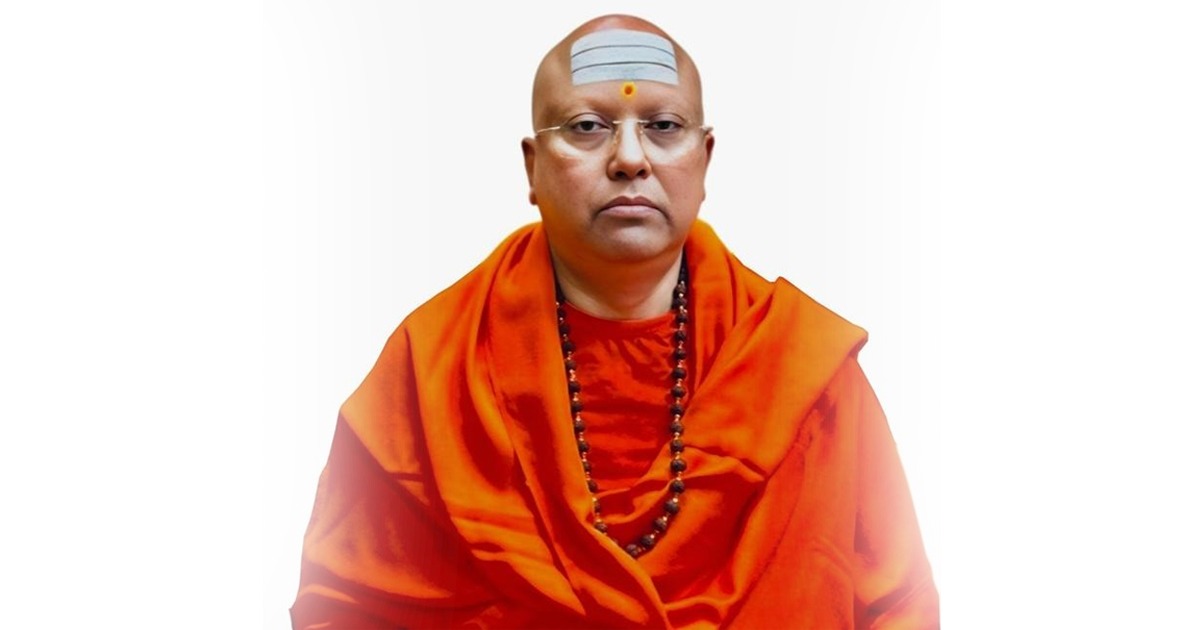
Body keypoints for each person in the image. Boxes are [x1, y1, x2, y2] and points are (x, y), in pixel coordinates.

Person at [291, 14, 938, 629]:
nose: (630, 158)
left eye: (663, 125)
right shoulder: (435, 366)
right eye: (587, 127)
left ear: (705, 159)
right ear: (532, 167)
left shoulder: (800, 366)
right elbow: (344, 605)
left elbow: (896, 603)